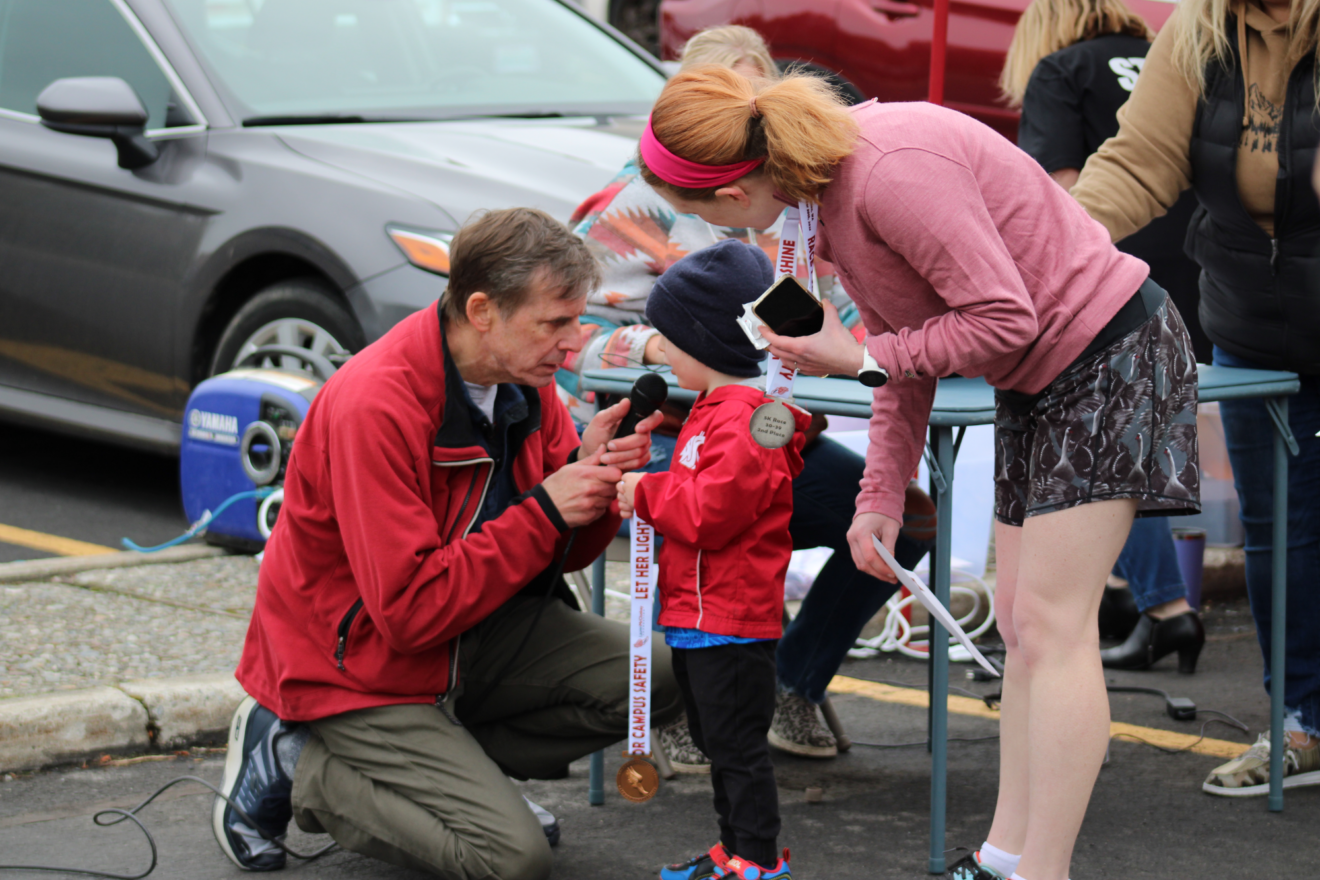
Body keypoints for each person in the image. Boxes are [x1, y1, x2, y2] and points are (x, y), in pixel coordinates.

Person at [636, 65, 1199, 880]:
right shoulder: (825, 196)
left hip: (1111, 356)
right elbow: (906, 359)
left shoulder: (887, 170)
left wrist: (859, 354)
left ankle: (1045, 871)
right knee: (1018, 620)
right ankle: (1005, 856)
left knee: (1052, 626)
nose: (729, 239)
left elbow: (1003, 317)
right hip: (1040, 378)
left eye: (704, 216)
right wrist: (879, 496)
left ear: (734, 194)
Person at [215, 208, 683, 878]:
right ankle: (304, 766)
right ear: (482, 310)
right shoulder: (374, 405)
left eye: (577, 320)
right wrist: (550, 506)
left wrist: (597, 478)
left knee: (660, 677)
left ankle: (459, 776)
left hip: (472, 632)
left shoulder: (524, 383)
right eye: (555, 322)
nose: (573, 342)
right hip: (359, 667)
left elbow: (565, 556)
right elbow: (407, 613)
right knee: (511, 860)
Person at [561, 23, 936, 768]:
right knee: (699, 516)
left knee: (909, 520)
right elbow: (570, 343)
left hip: (772, 435)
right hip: (676, 435)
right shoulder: (635, 204)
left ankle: (792, 681)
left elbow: (854, 328)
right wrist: (667, 349)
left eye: (752, 96)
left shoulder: (803, 205)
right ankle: (679, 695)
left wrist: (872, 347)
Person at [1070, 0, 1320, 796]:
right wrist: (1050, 244)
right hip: (1252, 324)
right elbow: (1137, 163)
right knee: (1282, 535)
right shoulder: (1200, 29)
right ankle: (1304, 724)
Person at [1000, 0, 1207, 675]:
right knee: (1135, 445)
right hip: (1208, 275)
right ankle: (1126, 596)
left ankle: (1165, 607)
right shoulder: (1176, 54)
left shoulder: (1059, 72)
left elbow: (1058, 197)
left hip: (1111, 281)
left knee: (1097, 457)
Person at [617, 239, 807, 880]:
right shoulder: (719, 410)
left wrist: (644, 491)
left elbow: (711, 510)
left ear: (705, 342)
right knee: (718, 742)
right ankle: (739, 850)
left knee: (735, 747)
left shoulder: (746, 421)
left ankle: (756, 859)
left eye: (670, 338)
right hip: (705, 614)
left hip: (730, 616)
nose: (663, 350)